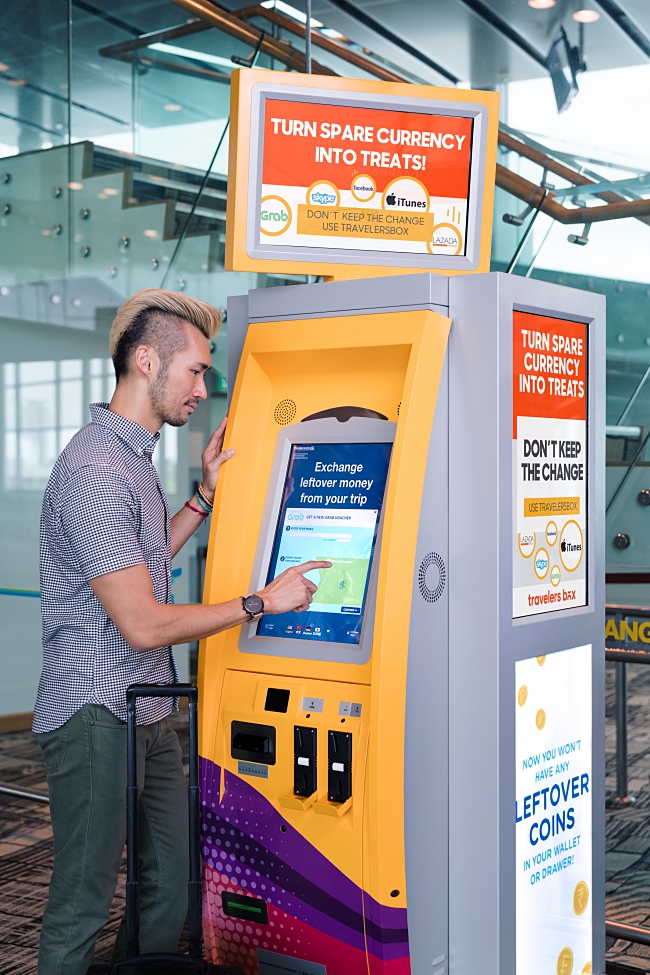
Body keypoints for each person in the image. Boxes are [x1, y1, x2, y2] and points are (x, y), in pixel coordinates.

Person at [34, 288, 330, 975]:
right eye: (195, 370)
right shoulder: (94, 468)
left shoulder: (134, 457)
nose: (205, 386)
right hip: (94, 709)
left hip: (151, 705)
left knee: (169, 880)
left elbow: (138, 568)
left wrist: (203, 497)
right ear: (146, 361)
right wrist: (259, 601)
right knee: (83, 896)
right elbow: (140, 621)